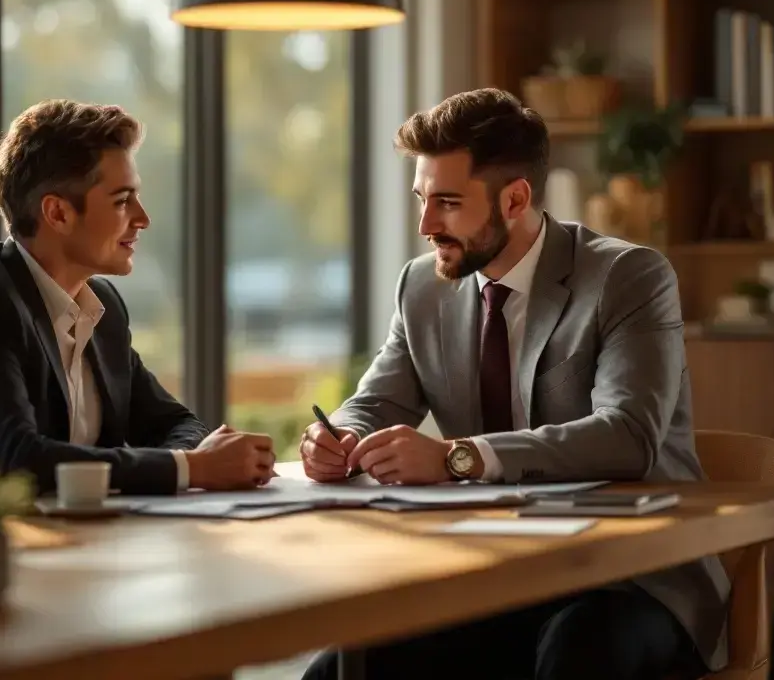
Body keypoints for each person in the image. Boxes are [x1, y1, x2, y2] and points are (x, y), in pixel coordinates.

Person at [298, 89, 728, 680]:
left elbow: (628, 436)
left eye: (447, 203)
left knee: (575, 653)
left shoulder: (627, 276)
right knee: (347, 666)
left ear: (515, 198)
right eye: (422, 200)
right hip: (498, 577)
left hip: (632, 580)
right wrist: (336, 437)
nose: (426, 225)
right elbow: (375, 401)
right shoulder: (422, 287)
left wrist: (457, 458)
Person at [0, 100, 273, 511]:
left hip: (70, 553)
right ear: (57, 213)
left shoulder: (101, 306)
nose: (142, 218)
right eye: (122, 200)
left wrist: (192, 460)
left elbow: (178, 423)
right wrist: (191, 468)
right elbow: (13, 460)